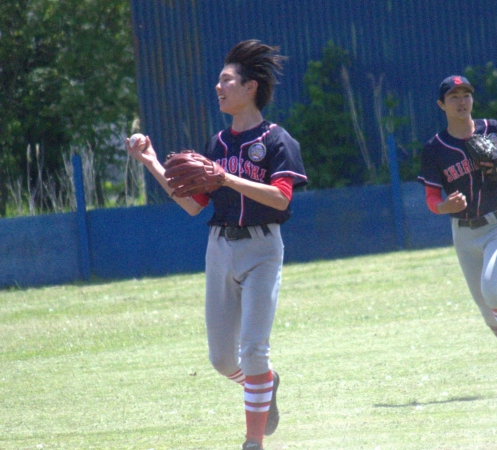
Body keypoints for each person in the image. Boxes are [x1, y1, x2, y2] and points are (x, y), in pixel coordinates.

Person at [127, 39, 307, 450]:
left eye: (227, 80)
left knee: (254, 351)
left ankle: (252, 442)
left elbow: (281, 198)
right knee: (223, 360)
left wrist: (226, 178)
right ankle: (265, 384)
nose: (218, 87)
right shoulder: (217, 144)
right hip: (220, 247)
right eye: (219, 81)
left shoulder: (277, 140)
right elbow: (193, 204)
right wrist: (151, 160)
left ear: (251, 87)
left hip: (262, 249)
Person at [417, 75, 497, 392]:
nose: (462, 101)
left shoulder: (493, 130)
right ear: (441, 104)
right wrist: (444, 207)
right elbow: (431, 198)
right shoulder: (435, 149)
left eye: (466, 95)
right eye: (454, 96)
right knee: (488, 313)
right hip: (464, 233)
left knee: (493, 288)